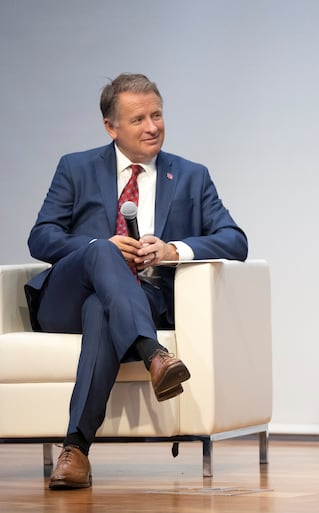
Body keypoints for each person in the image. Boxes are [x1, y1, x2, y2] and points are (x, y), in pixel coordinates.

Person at [25, 73, 248, 490]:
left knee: (102, 309)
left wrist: (172, 250)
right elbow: (41, 237)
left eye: (158, 114)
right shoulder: (75, 168)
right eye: (139, 119)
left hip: (140, 298)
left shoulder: (190, 176)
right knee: (102, 253)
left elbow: (235, 240)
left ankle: (75, 449)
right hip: (65, 299)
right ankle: (153, 353)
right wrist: (99, 245)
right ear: (111, 127)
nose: (152, 127)